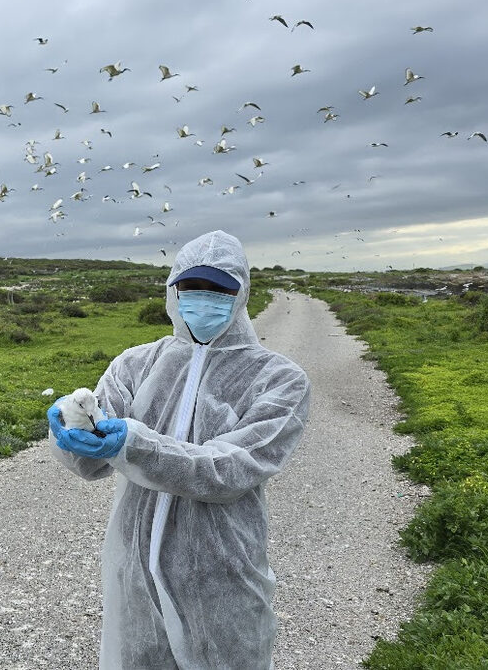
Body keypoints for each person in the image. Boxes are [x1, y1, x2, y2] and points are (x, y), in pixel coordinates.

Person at [47, 230, 311, 669]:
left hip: (222, 567)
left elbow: (229, 470)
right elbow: (90, 461)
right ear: (173, 291)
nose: (203, 299)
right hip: (134, 570)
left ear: (241, 294)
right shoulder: (135, 364)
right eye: (191, 286)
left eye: (219, 289)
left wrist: (135, 444)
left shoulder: (279, 379)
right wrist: (72, 426)